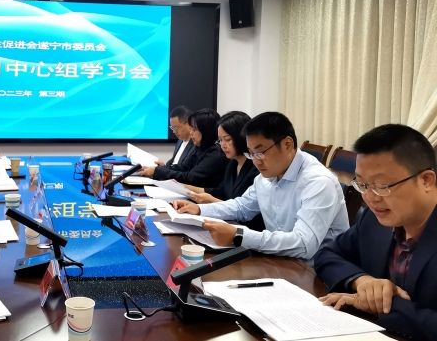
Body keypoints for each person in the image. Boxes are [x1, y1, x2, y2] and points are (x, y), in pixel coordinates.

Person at [314, 124, 437, 340]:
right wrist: (363, 282)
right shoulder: (374, 219)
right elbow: (327, 253)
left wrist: (381, 302)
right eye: (362, 184)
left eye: (381, 185)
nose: (370, 198)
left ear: (426, 180)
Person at [174, 112, 349, 260]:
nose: (256, 161)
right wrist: (199, 209)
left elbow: (303, 245)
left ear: (287, 144)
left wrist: (239, 235)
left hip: (316, 272)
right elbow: (241, 207)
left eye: (260, 152)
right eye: (251, 154)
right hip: (278, 259)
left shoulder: (318, 182)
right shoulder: (266, 176)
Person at [177, 111, 264, 231]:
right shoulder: (232, 164)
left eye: (227, 139)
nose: (223, 145)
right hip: (229, 225)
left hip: (246, 231)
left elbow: (244, 210)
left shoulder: (257, 168)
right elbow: (221, 191)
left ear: (242, 137)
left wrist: (209, 201)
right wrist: (200, 197)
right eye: (220, 140)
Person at [139, 108, 227, 187]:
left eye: (194, 129)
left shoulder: (215, 154)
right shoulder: (200, 148)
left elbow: (190, 178)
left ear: (205, 131)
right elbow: (182, 167)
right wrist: (157, 169)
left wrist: (158, 172)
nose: (191, 132)